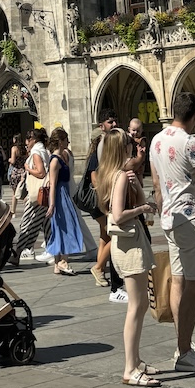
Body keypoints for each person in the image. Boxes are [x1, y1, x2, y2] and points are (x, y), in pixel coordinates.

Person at [149, 90, 195, 372]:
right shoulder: (190, 143)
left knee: (178, 280)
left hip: (169, 216)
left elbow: (156, 183)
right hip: (191, 218)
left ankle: (183, 345)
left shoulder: (156, 140)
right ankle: (185, 352)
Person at [96, 127, 159, 385]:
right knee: (136, 306)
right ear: (123, 148)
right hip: (130, 245)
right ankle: (130, 369)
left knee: (141, 304)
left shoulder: (112, 174)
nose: (133, 146)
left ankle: (136, 360)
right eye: (128, 143)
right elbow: (119, 215)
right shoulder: (119, 176)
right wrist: (142, 208)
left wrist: (138, 190)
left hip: (127, 244)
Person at [85, 108, 123, 296]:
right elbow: (93, 175)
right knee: (114, 233)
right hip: (100, 200)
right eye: (110, 122)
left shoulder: (107, 143)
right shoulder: (102, 145)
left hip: (101, 199)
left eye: (114, 120)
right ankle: (99, 267)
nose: (114, 124)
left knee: (104, 236)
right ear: (101, 126)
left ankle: (100, 272)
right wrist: (104, 196)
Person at [45, 128, 88, 275]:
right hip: (59, 196)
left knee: (61, 227)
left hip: (64, 194)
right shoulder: (55, 161)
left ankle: (58, 264)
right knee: (67, 227)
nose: (68, 142)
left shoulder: (62, 157)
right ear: (60, 141)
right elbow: (52, 184)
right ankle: (63, 261)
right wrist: (52, 204)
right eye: (66, 140)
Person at [7, 127, 51, 264]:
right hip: (43, 193)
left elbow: (41, 173)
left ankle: (18, 253)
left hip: (36, 195)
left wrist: (28, 169)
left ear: (33, 140)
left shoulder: (36, 153)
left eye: (27, 139)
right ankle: (51, 250)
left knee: (26, 223)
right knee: (44, 223)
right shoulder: (44, 151)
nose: (26, 142)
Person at [8, 133, 25, 216]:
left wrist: (9, 159)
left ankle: (13, 211)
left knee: (14, 193)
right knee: (24, 191)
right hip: (23, 172)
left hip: (15, 172)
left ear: (15, 140)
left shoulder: (14, 148)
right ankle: (26, 210)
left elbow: (13, 161)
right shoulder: (24, 149)